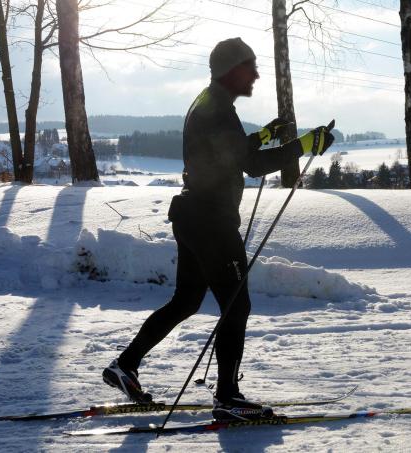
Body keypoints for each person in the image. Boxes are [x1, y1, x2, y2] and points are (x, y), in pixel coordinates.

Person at [102, 37, 335, 421]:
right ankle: (227, 398)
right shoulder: (217, 110)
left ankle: (125, 365)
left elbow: (227, 153)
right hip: (210, 221)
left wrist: (261, 137)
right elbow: (251, 166)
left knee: (186, 301)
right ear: (232, 70)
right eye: (250, 67)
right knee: (236, 304)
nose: (256, 74)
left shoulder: (209, 103)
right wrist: (303, 144)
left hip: (193, 216)